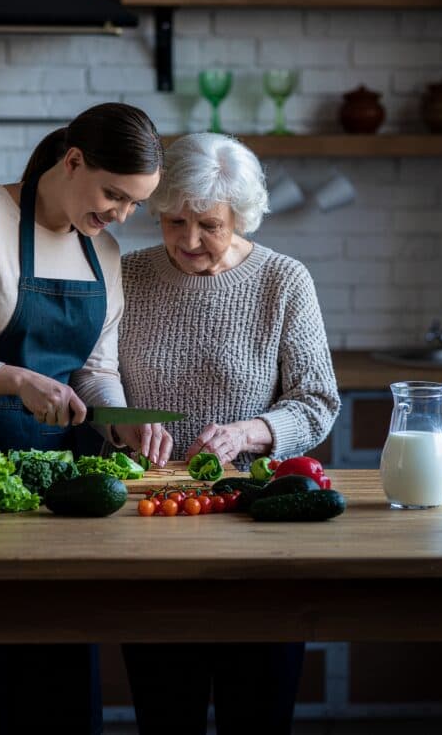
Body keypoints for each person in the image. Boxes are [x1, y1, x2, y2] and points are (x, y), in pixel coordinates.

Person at [0, 102, 172, 734]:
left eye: (134, 204)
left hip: (55, 491)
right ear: (72, 161)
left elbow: (94, 370)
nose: (120, 215)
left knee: (52, 668)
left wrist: (120, 417)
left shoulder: (107, 254)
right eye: (113, 195)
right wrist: (13, 379)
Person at [117, 132, 341, 735]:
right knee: (165, 715)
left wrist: (250, 433)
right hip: (153, 522)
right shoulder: (124, 276)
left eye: (209, 224)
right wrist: (124, 426)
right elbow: (95, 381)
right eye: (173, 221)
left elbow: (317, 402)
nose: (189, 240)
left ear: (241, 216)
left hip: (257, 523)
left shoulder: (283, 282)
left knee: (258, 713)